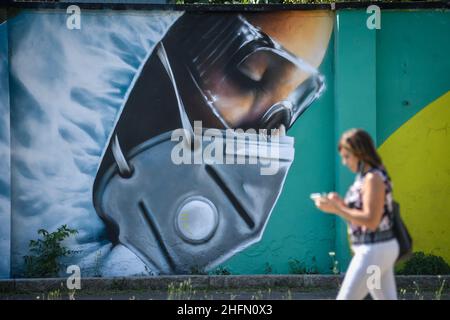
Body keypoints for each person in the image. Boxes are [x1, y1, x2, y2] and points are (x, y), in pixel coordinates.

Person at [314, 128, 399, 300]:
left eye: (347, 156)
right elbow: (363, 214)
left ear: (360, 153)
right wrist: (341, 204)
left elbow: (371, 220)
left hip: (373, 250)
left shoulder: (372, 179)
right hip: (379, 248)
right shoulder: (366, 176)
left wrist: (337, 209)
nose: (344, 162)